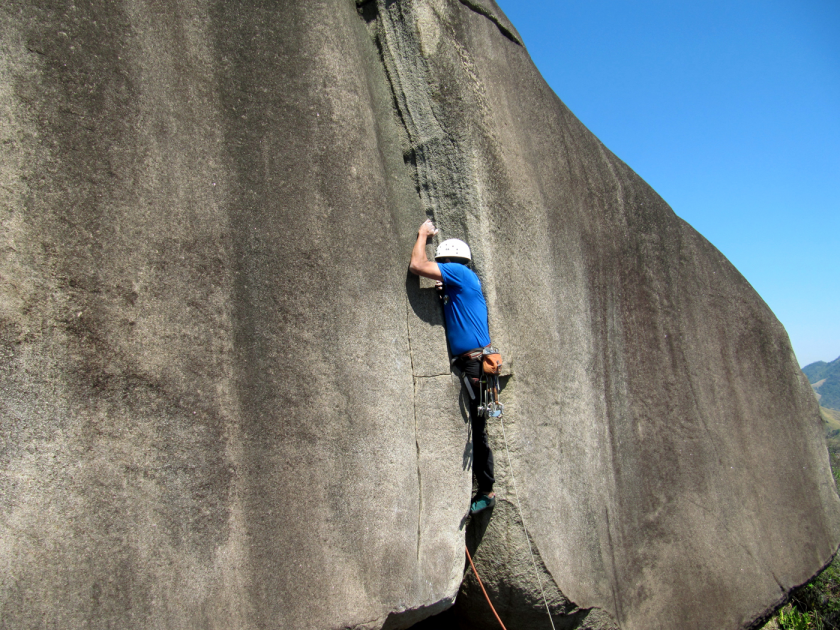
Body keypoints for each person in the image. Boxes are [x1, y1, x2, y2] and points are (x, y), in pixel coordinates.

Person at [409, 219, 496, 515]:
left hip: (474, 365)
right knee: (480, 427)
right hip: (476, 362)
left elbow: (417, 266)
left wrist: (423, 234)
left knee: (480, 429)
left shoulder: (459, 272)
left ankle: (486, 490)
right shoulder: (461, 282)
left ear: (449, 262)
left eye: (441, 264)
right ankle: (484, 488)